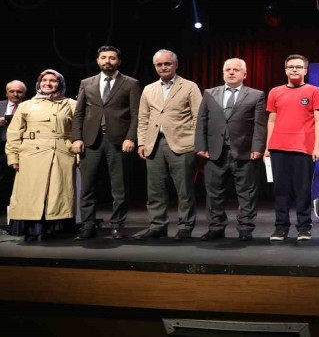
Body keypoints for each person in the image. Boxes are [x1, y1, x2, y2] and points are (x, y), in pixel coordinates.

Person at [72, 46, 141, 240]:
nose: (107, 61)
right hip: (91, 140)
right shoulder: (87, 83)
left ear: (119, 61)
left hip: (118, 140)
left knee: (119, 187)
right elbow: (79, 113)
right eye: (103, 57)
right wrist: (77, 137)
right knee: (87, 186)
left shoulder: (131, 83)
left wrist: (131, 137)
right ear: (98, 60)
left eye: (112, 58)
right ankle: (87, 225)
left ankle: (117, 225)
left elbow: (136, 114)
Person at [195, 58, 267, 241]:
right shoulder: (210, 93)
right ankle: (216, 227)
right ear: (223, 73)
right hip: (215, 152)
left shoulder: (256, 95)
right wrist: (201, 146)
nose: (232, 72)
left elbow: (259, 125)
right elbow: (201, 121)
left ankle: (245, 228)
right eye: (228, 69)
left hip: (245, 152)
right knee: (214, 193)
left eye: (236, 70)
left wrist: (257, 147)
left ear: (245, 74)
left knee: (247, 193)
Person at [134, 50, 202, 241]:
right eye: (159, 64)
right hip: (155, 144)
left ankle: (185, 226)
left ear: (176, 65)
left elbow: (198, 117)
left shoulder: (189, 86)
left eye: (167, 64)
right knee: (155, 190)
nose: (163, 67)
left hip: (183, 144)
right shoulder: (149, 89)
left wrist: (196, 143)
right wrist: (142, 142)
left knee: (184, 189)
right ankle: (157, 225)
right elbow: (143, 118)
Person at [5, 70, 77, 241]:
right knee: (30, 194)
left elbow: (78, 131)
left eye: (53, 80)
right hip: (30, 154)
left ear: (60, 83)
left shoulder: (71, 104)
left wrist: (77, 152)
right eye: (44, 80)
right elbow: (14, 133)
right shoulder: (26, 105)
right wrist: (13, 156)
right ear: (39, 83)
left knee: (57, 194)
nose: (48, 83)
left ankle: (53, 229)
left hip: (60, 153)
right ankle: (31, 230)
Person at [266, 54, 319, 241]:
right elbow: (271, 120)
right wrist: (268, 146)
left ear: (305, 70)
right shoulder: (275, 92)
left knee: (302, 189)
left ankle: (304, 227)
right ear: (285, 70)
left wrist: (318, 146)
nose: (294, 69)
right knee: (280, 190)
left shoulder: (314, 91)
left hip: (304, 147)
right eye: (290, 66)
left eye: (298, 67)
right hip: (278, 147)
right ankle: (281, 227)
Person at [1, 80, 27, 213]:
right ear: (6, 93)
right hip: (1, 148)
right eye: (12, 91)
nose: (15, 94)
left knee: (17, 183)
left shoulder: (29, 107)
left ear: (24, 94)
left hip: (20, 149)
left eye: (19, 92)